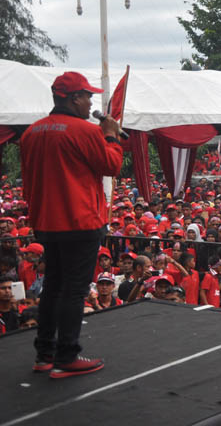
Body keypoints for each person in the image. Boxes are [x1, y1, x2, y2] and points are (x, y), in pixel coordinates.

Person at [20, 71, 123, 378]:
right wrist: (111, 135)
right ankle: (67, 356)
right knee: (74, 291)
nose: (91, 100)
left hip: (46, 222)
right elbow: (112, 165)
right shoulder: (85, 132)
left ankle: (45, 355)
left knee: (52, 286)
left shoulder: (31, 133)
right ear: (74, 98)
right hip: (80, 221)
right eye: (88, 95)